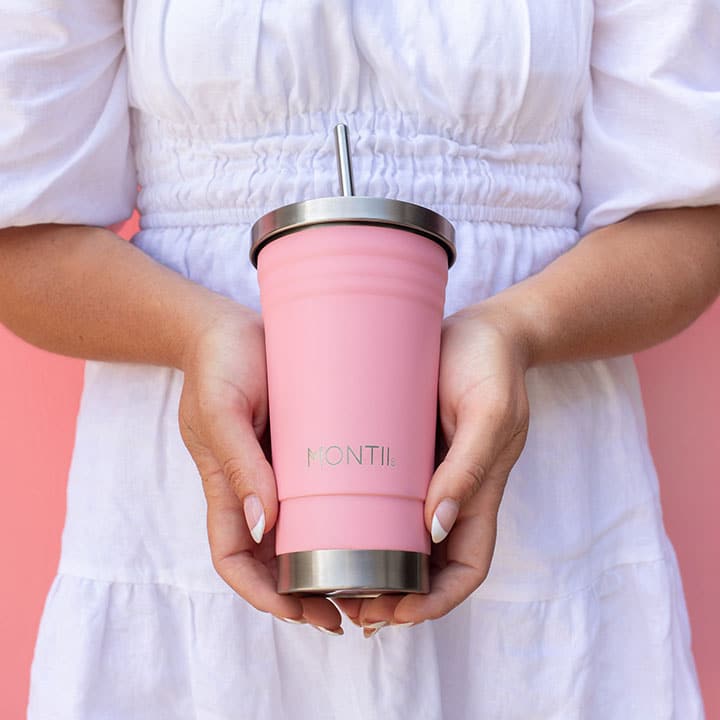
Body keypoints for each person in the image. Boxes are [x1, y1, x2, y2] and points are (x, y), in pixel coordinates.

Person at [1, 1, 718, 717]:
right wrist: (195, 334)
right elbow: (20, 230)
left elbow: (687, 210)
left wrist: (519, 328)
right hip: (182, 524)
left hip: (539, 516)